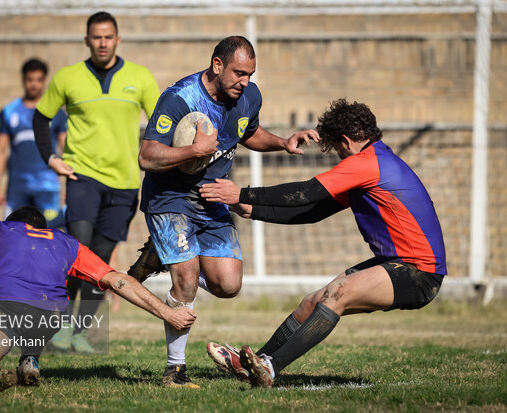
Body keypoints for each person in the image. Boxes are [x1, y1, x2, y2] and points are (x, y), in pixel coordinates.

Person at [200, 98, 447, 387]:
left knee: (337, 294)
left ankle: (271, 367)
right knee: (313, 302)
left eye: (337, 149)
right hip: (396, 264)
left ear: (345, 141)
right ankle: (253, 364)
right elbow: (314, 211)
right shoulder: (373, 163)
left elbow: (306, 192)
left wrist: (243, 193)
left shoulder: (366, 163)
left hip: (418, 272)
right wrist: (254, 211)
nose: (339, 156)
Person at [132, 35, 319, 388]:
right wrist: (193, 150)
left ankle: (165, 254)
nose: (245, 82)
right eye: (238, 73)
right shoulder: (179, 98)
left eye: (250, 74)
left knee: (228, 285)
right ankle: (175, 371)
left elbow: (247, 132)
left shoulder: (249, 96)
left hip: (213, 199)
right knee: (186, 279)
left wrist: (282, 142)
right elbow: (147, 156)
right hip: (170, 198)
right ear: (217, 65)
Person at [0, 206, 196, 398]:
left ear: (15, 222)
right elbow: (117, 280)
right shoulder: (67, 243)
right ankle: (30, 358)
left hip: (6, 307)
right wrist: (167, 313)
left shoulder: (2, 229)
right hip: (50, 315)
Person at [33, 11, 159, 353]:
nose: (102, 42)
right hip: (82, 177)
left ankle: (80, 333)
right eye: (96, 37)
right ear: (86, 40)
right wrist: (51, 159)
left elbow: (162, 122)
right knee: (78, 249)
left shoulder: (141, 77)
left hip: (124, 183)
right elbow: (41, 118)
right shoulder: (67, 78)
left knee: (101, 263)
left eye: (108, 36)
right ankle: (58, 328)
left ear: (117, 39)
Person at [0, 58, 68, 228]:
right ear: (23, 79)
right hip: (18, 187)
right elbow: (0, 150)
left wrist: (69, 186)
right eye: (30, 79)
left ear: (44, 81)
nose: (34, 84)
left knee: (49, 235)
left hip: (47, 186)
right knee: (14, 235)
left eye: (39, 80)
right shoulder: (8, 112)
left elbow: (66, 149)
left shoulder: (56, 113)